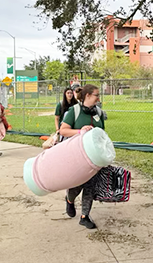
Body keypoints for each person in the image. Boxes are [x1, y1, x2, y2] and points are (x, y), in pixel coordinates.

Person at [60, 84, 104, 229]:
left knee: (90, 186)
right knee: (77, 185)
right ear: (87, 96)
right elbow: (63, 131)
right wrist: (80, 131)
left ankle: (85, 216)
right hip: (76, 156)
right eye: (96, 95)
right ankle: (70, 200)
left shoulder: (98, 112)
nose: (99, 98)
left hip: (93, 157)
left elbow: (102, 132)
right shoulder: (74, 111)